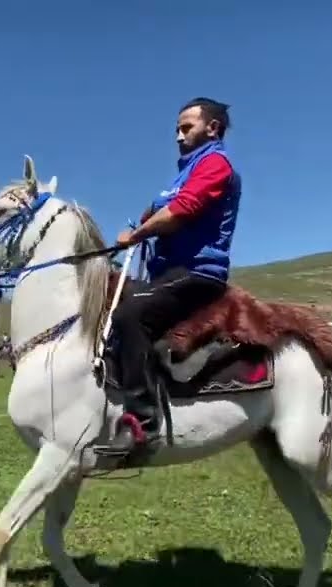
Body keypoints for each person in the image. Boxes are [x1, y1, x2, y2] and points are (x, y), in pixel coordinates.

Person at [103, 97, 240, 452]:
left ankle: (143, 424)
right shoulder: (182, 173)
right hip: (166, 273)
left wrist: (137, 234)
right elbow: (153, 211)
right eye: (176, 129)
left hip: (197, 272)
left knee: (130, 314)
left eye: (186, 128)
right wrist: (132, 227)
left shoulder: (215, 164)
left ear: (212, 128)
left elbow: (181, 211)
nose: (178, 136)